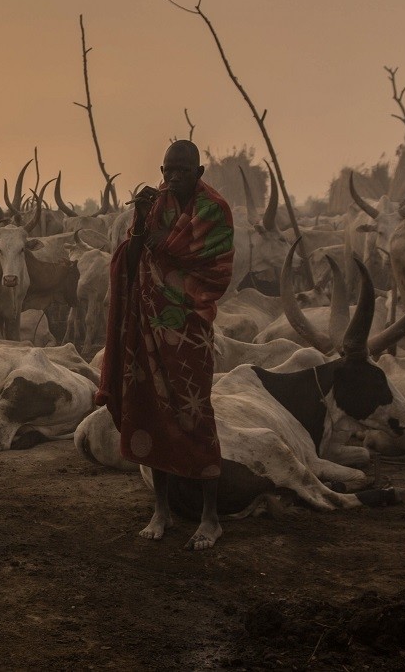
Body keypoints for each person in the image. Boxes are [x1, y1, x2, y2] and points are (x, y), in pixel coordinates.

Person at [95, 139, 235, 551]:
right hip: (146, 322)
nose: (173, 177)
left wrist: (160, 241)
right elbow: (134, 254)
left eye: (182, 170)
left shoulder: (213, 210)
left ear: (199, 172)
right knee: (150, 408)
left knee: (196, 412)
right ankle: (162, 509)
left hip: (188, 326)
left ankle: (211, 517)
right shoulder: (156, 205)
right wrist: (139, 221)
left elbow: (214, 267)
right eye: (167, 169)